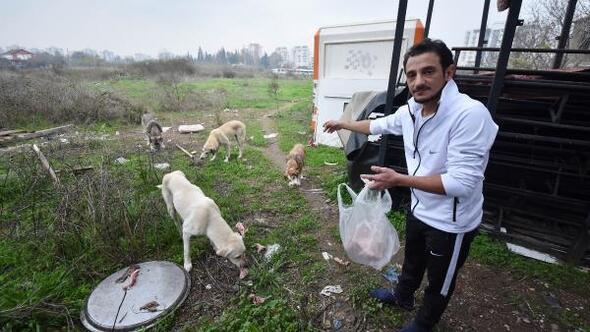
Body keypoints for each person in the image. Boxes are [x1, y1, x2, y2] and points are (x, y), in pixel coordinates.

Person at [323, 39, 498, 332]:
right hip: (419, 208)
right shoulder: (412, 110)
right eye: (412, 74)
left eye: (428, 72)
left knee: (440, 279)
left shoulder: (469, 115)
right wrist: (344, 125)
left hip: (450, 222)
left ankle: (423, 323)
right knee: (413, 261)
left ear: (449, 72)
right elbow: (378, 125)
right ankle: (402, 296)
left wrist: (399, 180)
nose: (418, 82)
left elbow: (462, 183)